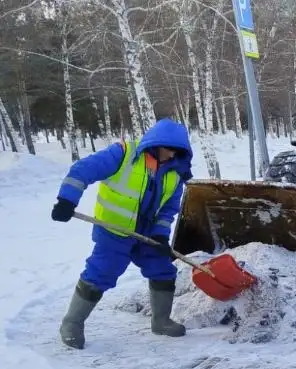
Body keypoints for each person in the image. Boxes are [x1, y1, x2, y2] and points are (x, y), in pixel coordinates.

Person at [51, 118, 195, 350]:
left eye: (177, 152)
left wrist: (160, 235)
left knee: (163, 269)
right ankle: (72, 323)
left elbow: (168, 210)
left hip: (147, 233)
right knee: (101, 273)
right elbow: (82, 170)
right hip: (114, 230)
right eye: (169, 150)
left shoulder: (176, 173)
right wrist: (67, 199)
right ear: (156, 144)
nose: (171, 156)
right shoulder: (123, 155)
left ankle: (161, 321)